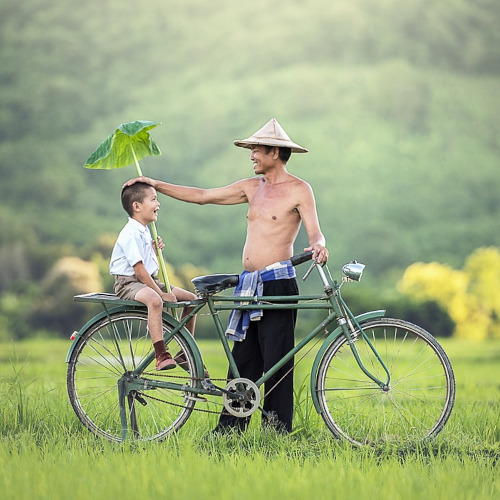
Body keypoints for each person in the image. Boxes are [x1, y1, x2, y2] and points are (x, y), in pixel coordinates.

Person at [125, 118, 328, 432]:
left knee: (276, 359)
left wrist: (319, 246)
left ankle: (275, 429)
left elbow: (315, 233)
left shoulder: (300, 190)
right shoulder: (251, 187)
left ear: (275, 152)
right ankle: (229, 430)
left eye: (256, 150)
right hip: (248, 285)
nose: (251, 155)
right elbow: (204, 195)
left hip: (278, 284)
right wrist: (156, 185)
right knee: (243, 358)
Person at [110, 182, 198, 371]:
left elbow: (148, 268)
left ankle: (184, 352)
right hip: (129, 283)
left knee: (192, 300)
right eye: (153, 199)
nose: (158, 204)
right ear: (137, 206)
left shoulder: (144, 230)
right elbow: (139, 271)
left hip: (147, 281)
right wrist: (161, 293)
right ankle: (161, 353)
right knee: (155, 301)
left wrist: (154, 251)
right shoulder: (130, 233)